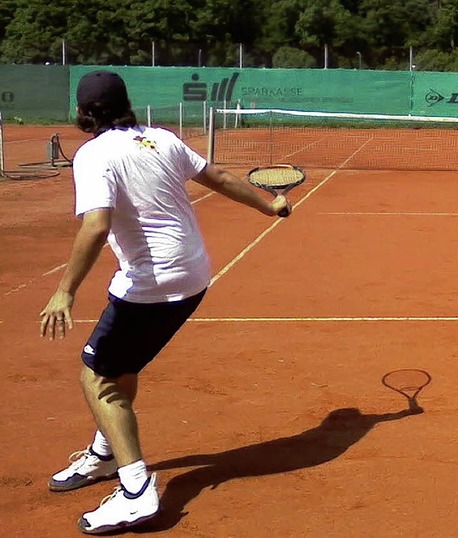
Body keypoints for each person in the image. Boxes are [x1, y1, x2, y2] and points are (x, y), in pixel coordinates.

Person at [39, 70, 290, 535]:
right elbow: (215, 176)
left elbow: (96, 225)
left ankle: (135, 491)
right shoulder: (161, 138)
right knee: (123, 367)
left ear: (82, 112)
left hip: (151, 285)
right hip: (194, 275)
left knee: (97, 378)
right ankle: (104, 453)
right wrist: (267, 205)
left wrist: (64, 290)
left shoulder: (94, 155)